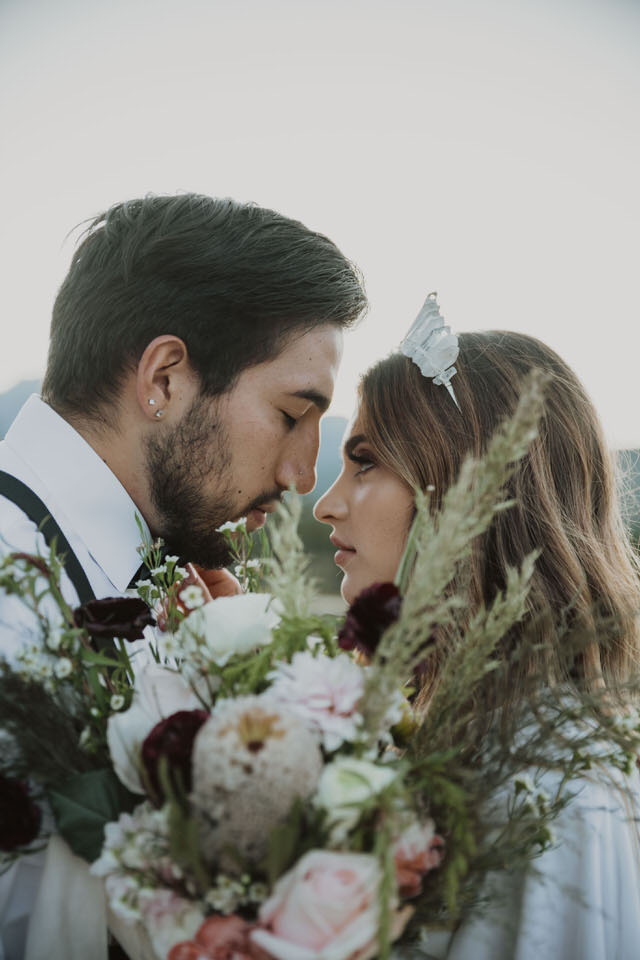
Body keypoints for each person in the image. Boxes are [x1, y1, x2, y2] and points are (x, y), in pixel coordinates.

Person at [0, 192, 366, 960]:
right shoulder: (10, 593)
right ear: (164, 377)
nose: (304, 475)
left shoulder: (165, 582)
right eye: (293, 413)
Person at [314, 299, 640, 959]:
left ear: (464, 492)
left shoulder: (550, 782)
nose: (327, 503)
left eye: (366, 461)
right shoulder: (443, 717)